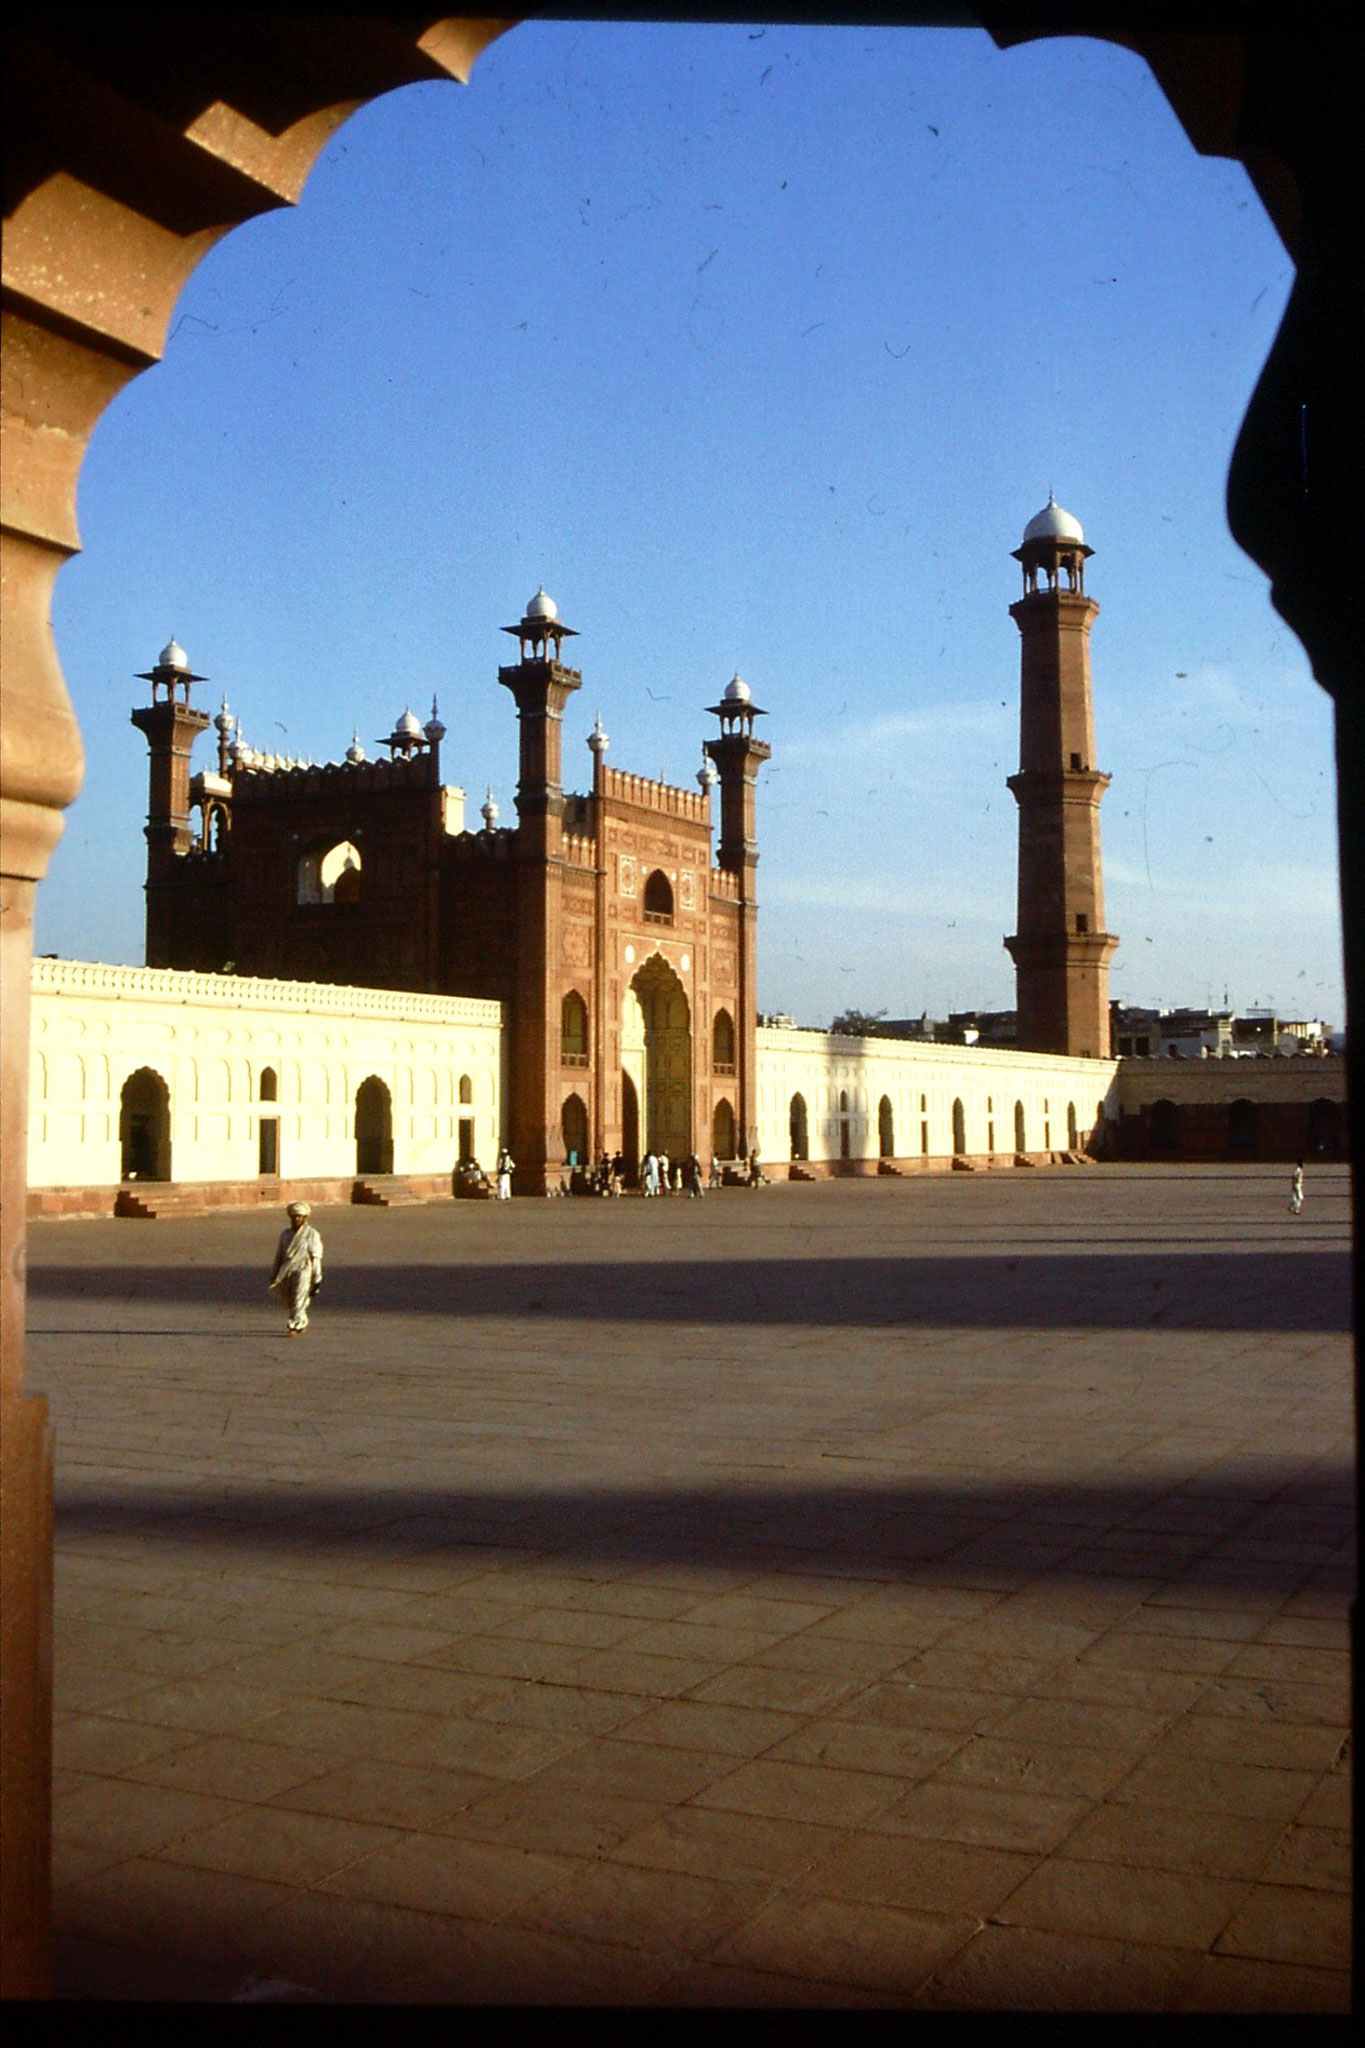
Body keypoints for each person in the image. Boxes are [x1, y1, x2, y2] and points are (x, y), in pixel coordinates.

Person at [269, 1201, 324, 1336]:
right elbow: (280, 1255)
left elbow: (315, 1256)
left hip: (304, 1269)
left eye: (299, 1216)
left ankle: (294, 1325)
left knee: (299, 1297)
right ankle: (302, 1320)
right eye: (294, 1216)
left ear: (305, 1217)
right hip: (287, 1269)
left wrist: (317, 1277)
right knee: (290, 1298)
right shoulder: (285, 1234)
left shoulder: (312, 1234)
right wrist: (275, 1272)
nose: (296, 1219)